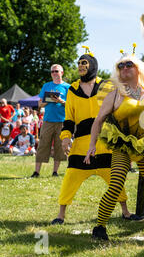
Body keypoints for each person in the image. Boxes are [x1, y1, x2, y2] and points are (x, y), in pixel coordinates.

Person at [85, 49, 144, 241]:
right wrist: (92, 145)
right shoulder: (114, 95)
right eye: (120, 66)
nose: (124, 68)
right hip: (121, 144)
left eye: (128, 64)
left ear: (139, 69)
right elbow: (98, 121)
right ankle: (100, 227)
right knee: (116, 185)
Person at [51, 48, 136, 226]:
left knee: (115, 177)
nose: (81, 66)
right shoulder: (72, 90)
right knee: (71, 177)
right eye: (79, 63)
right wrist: (65, 137)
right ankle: (61, 214)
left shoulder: (108, 86)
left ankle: (126, 211)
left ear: (93, 66)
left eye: (84, 63)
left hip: (105, 143)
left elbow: (126, 102)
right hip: (81, 145)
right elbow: (69, 119)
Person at [31, 64, 70, 178]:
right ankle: (36, 172)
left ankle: (55, 172)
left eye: (56, 71)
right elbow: (39, 104)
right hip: (47, 120)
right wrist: (49, 100)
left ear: (61, 73)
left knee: (59, 146)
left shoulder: (68, 87)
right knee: (43, 145)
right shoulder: (46, 85)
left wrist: (60, 101)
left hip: (62, 121)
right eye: (52, 71)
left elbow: (72, 105)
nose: (54, 73)